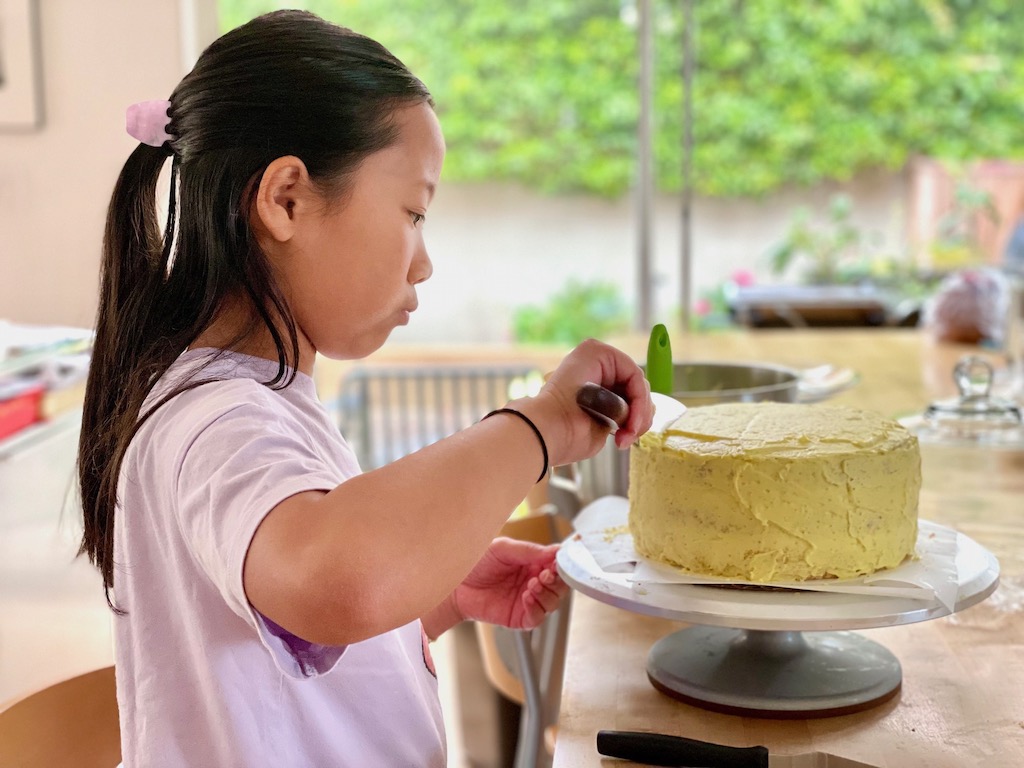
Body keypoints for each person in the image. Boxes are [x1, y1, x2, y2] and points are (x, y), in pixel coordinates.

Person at [76, 9, 653, 767]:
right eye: (413, 212)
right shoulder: (214, 418)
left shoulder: (256, 398)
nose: (424, 262)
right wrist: (540, 425)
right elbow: (336, 580)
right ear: (286, 199)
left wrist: (434, 594)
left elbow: (291, 635)